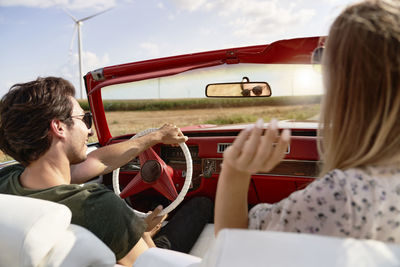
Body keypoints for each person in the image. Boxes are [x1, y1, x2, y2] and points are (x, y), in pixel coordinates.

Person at [215, 0, 400, 244]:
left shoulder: (341, 198)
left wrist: (234, 170)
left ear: (346, 91)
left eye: (322, 59)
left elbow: (235, 247)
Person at [0, 77, 212, 266]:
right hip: (143, 255)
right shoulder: (99, 206)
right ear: (59, 127)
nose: (90, 130)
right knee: (201, 204)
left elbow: (98, 160)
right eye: (85, 119)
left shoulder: (8, 179)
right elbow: (151, 263)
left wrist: (155, 137)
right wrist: (143, 233)